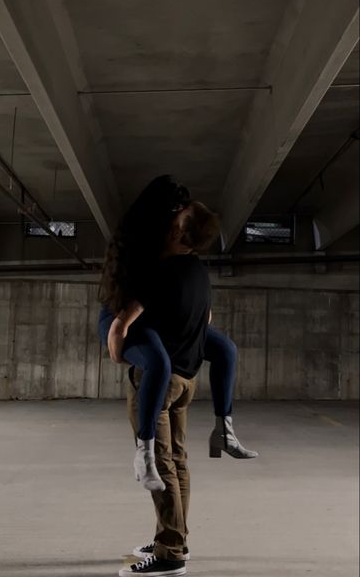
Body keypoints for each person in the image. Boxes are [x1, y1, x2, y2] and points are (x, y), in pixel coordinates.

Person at [99, 176, 257, 489]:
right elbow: (123, 317)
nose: (182, 245)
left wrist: (196, 322)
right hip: (125, 315)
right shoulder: (143, 243)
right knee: (159, 362)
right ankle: (143, 454)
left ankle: (223, 429)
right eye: (179, 214)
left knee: (226, 350)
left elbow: (191, 296)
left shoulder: (183, 249)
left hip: (158, 316)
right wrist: (117, 341)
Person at [119, 202, 212, 576]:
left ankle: (170, 553)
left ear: (178, 232)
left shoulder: (164, 271)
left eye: (176, 218)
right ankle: (174, 539)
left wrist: (117, 337)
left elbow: (124, 321)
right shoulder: (199, 272)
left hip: (160, 383)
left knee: (160, 465)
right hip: (187, 379)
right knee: (177, 462)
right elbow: (207, 320)